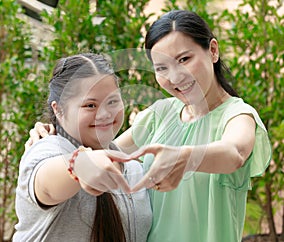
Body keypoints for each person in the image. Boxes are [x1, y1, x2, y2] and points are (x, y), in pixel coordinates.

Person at [27, 10, 271, 242]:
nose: (175, 77)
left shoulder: (238, 115)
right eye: (162, 68)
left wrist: (184, 157)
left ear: (213, 51)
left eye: (184, 59)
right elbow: (107, 154)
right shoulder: (160, 114)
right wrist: (55, 131)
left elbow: (234, 153)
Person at [14, 53, 152, 242]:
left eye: (112, 101)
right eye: (90, 105)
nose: (104, 114)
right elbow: (46, 184)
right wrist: (80, 165)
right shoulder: (46, 149)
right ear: (58, 109)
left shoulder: (134, 169)